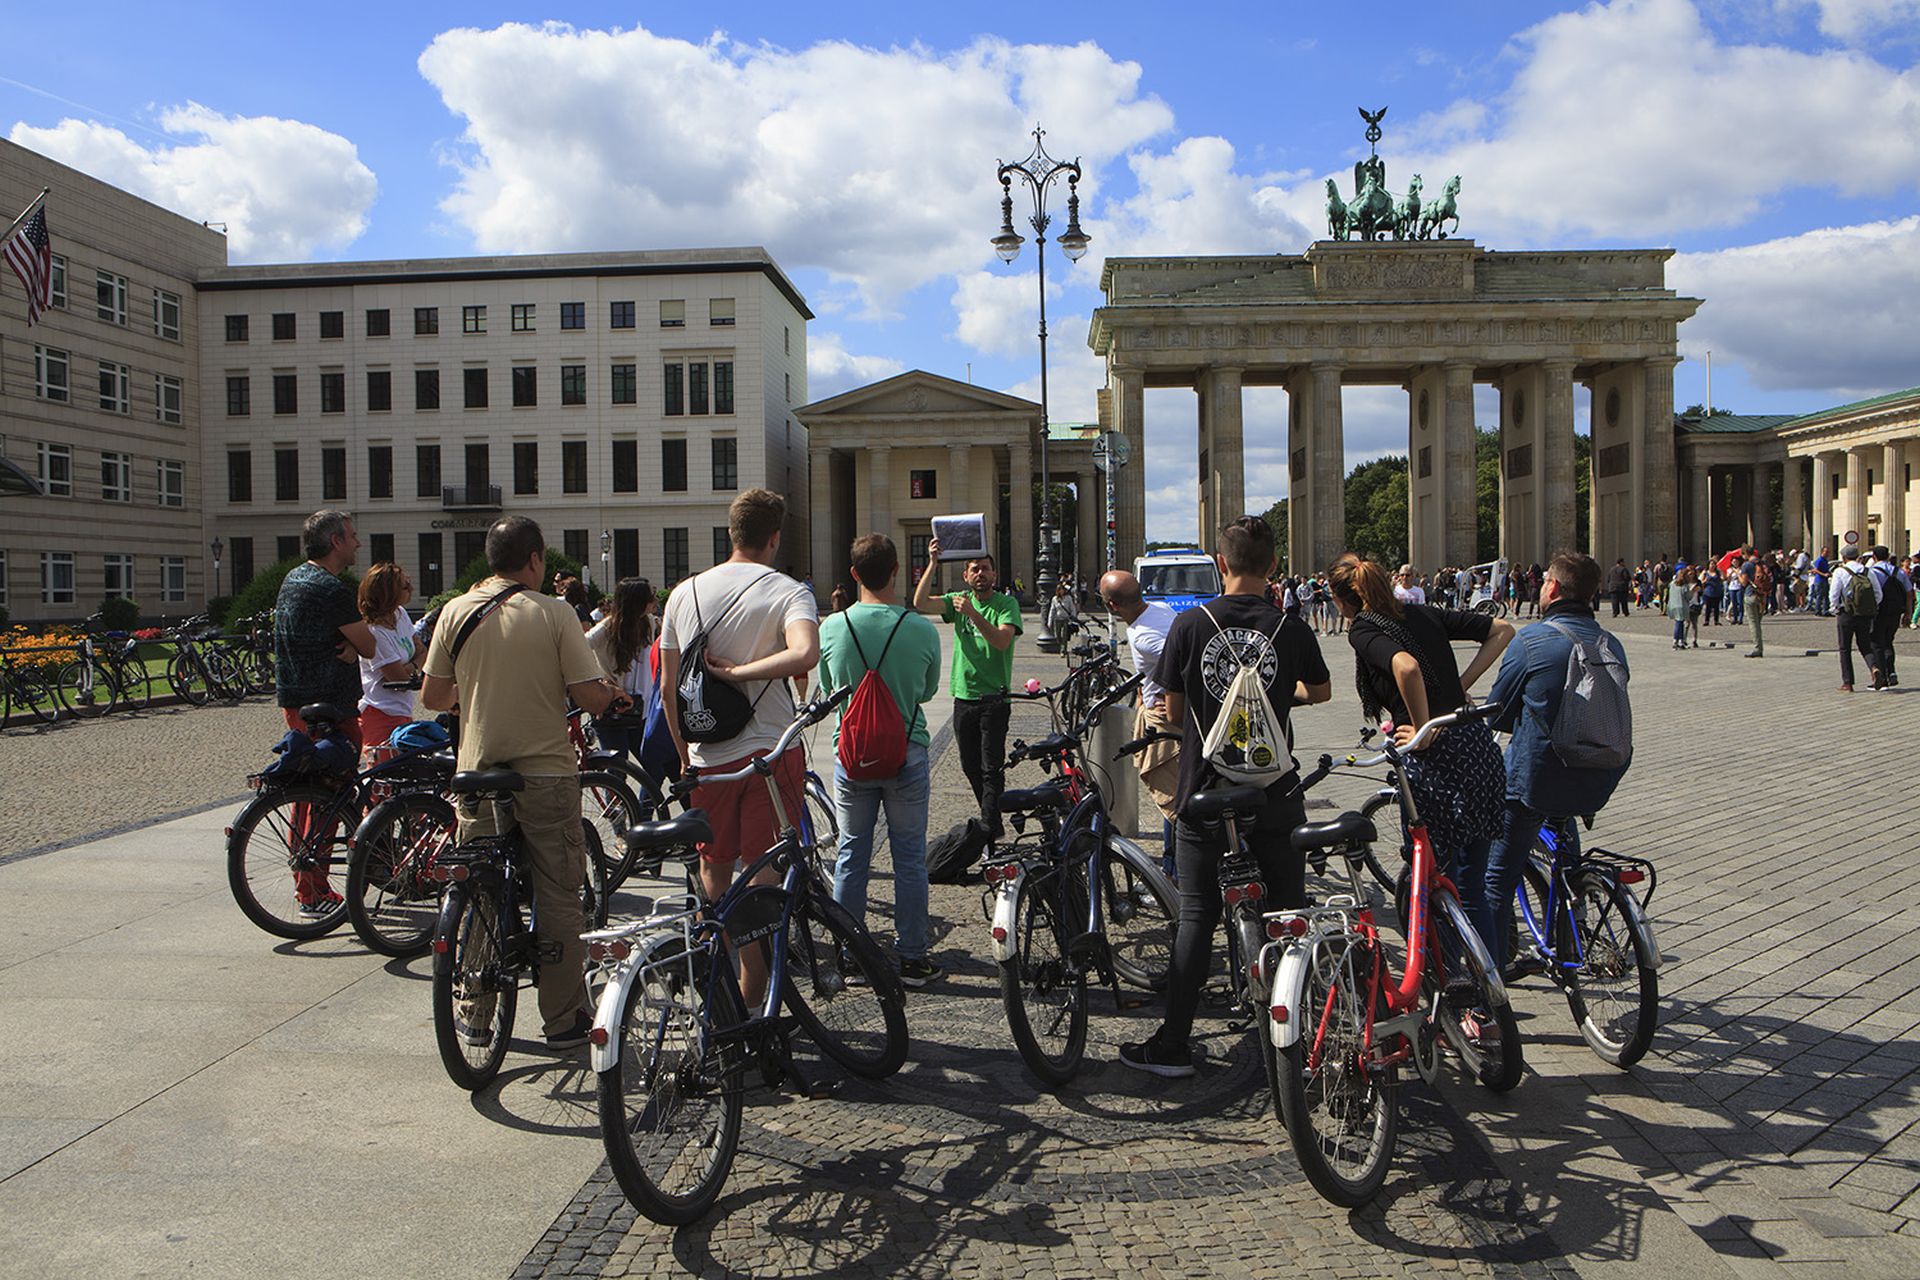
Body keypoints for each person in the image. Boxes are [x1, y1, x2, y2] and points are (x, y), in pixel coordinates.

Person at [1119, 515, 1331, 1078]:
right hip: (1274, 790)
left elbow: (1169, 707)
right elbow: (1323, 689)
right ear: (1274, 567)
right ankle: (1306, 1034)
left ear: (1220, 562)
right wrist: (1274, 698)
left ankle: (1173, 1045)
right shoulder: (1289, 626)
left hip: (1207, 790)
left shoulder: (1191, 624)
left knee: (1196, 914)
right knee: (1290, 911)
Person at [421, 516, 628, 1050]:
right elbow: (586, 695)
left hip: (478, 768)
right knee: (558, 892)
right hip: (544, 773)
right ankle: (563, 1018)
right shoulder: (554, 613)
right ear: (535, 560)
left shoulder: (455, 610)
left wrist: (480, 695)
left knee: (481, 888)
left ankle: (474, 1010)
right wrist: (609, 695)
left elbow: (433, 697)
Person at [1329, 553, 1513, 1038]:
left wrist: (1424, 723)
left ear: (1341, 601)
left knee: (1433, 877)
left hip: (1437, 760)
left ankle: (1453, 990)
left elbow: (1406, 667)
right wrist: (1459, 690)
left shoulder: (1364, 629)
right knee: (1471, 884)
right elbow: (1503, 630)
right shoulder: (1423, 612)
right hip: (1477, 748)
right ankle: (1490, 1004)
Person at [661, 489, 820, 1006]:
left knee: (715, 866)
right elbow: (806, 653)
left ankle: (721, 981)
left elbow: (668, 688)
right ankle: (756, 993)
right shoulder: (788, 591)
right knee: (764, 875)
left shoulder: (684, 593)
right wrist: (743, 673)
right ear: (774, 538)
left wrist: (686, 756)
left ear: (730, 534)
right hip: (770, 757)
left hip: (709, 760)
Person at [1481, 552, 1631, 980]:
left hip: (1539, 779)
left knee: (1496, 879)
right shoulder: (1610, 643)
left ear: (1552, 588)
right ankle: (1574, 923)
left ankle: (1489, 986)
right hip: (1600, 774)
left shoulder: (1533, 642)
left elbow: (1499, 712)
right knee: (1565, 847)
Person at [817, 534, 944, 987]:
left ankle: (851, 954)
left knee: (853, 853)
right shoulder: (921, 628)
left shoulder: (832, 627)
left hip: (852, 755)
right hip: (907, 750)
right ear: (896, 572)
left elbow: (831, 687)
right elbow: (927, 691)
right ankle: (912, 957)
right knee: (910, 858)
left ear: (853, 575)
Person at [913, 541, 1022, 836]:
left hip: (995, 698)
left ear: (994, 575)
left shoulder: (1005, 605)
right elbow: (920, 603)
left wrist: (974, 614)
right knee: (970, 766)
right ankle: (993, 821)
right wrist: (933, 563)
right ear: (966, 576)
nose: (980, 574)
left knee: (991, 768)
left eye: (985, 569)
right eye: (974, 569)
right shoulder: (957, 600)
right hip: (963, 696)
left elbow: (1001, 641)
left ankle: (989, 828)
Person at [1100, 568, 1181, 878]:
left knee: (1172, 800)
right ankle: (1173, 866)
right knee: (1173, 798)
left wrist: (1166, 696)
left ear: (1112, 606)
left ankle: (1176, 875)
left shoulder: (1144, 637)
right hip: (1166, 712)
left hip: (1168, 721)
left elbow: (1183, 662)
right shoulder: (1159, 609)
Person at [585, 577, 657, 757]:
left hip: (642, 707)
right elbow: (578, 649)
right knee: (617, 764)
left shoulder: (648, 622)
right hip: (614, 705)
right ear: (637, 601)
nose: (655, 600)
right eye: (650, 596)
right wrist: (598, 680)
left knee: (652, 761)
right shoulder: (606, 628)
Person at [356, 562, 420, 759]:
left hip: (402, 710)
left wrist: (409, 667)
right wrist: (416, 666)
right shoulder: (374, 632)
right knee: (382, 779)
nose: (411, 589)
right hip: (380, 713)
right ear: (387, 593)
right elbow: (398, 679)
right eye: (404, 586)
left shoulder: (400, 614)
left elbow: (423, 649)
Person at [1830, 546, 1880, 692]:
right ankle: (1874, 668)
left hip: (1846, 613)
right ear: (1858, 556)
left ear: (1844, 558)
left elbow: (1834, 593)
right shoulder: (1867, 571)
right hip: (1864, 614)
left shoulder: (1840, 571)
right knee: (1865, 645)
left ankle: (1848, 682)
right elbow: (1878, 593)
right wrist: (1870, 608)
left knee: (1845, 648)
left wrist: (1835, 609)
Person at [1870, 546, 1908, 689]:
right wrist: (1908, 613)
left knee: (1877, 643)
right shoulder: (1899, 572)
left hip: (1879, 611)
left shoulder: (1873, 572)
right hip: (1895, 611)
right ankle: (1891, 672)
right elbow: (1909, 592)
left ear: (1874, 557)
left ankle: (1882, 677)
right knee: (1889, 641)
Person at [1665, 567, 1693, 650]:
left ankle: (1680, 641)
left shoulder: (1672, 583)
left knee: (1679, 623)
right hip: (1681, 606)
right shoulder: (1684, 585)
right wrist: (1692, 591)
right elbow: (1688, 597)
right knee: (1679, 623)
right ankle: (1675, 641)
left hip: (1673, 605)